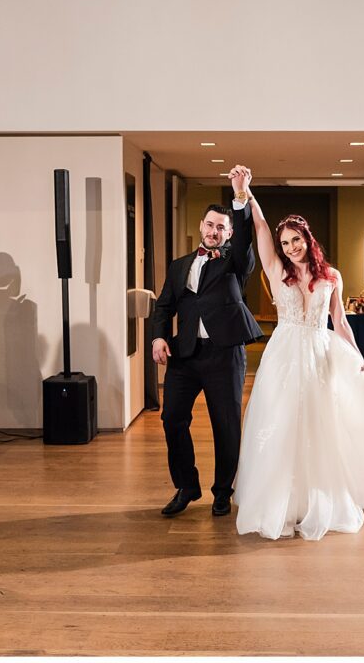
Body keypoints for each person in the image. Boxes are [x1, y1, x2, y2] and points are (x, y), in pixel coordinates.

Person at [230, 164, 364, 541]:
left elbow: (341, 322)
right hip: (284, 357)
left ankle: (318, 498)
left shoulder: (331, 276)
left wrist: (359, 358)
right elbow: (260, 227)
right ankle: (283, 502)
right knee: (282, 424)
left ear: (307, 238)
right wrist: (245, 191)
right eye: (285, 243)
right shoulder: (277, 271)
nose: (290, 247)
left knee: (320, 426)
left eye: (295, 240)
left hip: (318, 354)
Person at [151, 195, 263, 517]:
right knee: (172, 418)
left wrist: (241, 199)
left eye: (221, 228)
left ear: (229, 233)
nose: (214, 231)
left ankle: (223, 492)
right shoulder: (179, 266)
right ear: (201, 226)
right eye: (210, 225)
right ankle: (186, 486)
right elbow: (164, 306)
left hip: (225, 354)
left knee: (226, 426)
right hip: (185, 355)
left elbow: (243, 245)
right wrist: (158, 337)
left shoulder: (235, 261)